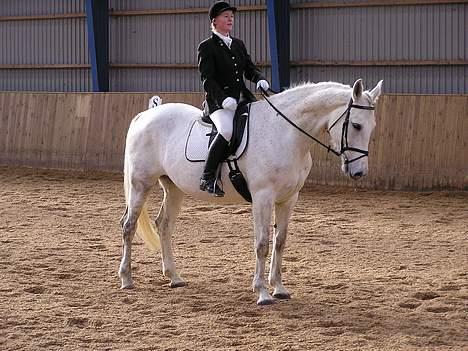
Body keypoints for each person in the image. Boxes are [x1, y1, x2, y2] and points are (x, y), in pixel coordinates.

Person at [198, 1, 270, 197]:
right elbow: (208, 80)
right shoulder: (207, 47)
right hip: (218, 104)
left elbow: (249, 68)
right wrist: (222, 100)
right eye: (225, 16)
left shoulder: (238, 44)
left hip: (242, 99)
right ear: (215, 21)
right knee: (227, 130)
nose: (230, 19)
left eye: (231, 16)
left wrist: (260, 79)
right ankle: (208, 176)